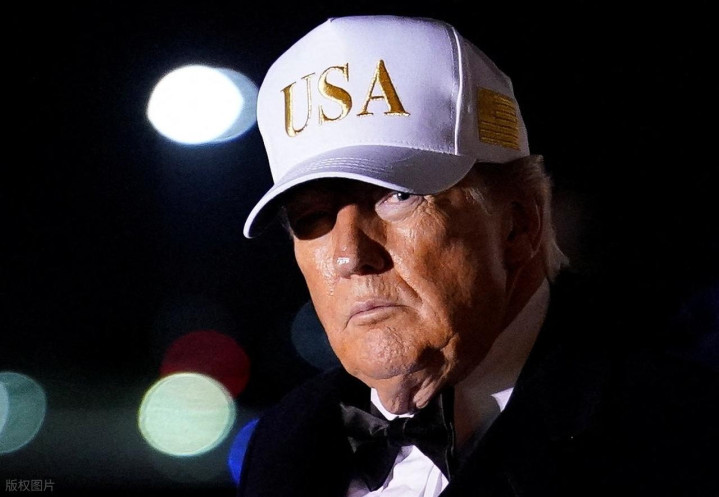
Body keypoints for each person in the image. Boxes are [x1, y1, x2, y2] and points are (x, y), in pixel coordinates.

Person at [236, 14, 717, 497]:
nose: (349, 255)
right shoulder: (284, 442)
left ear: (518, 224)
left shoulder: (679, 433)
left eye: (398, 195)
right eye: (311, 218)